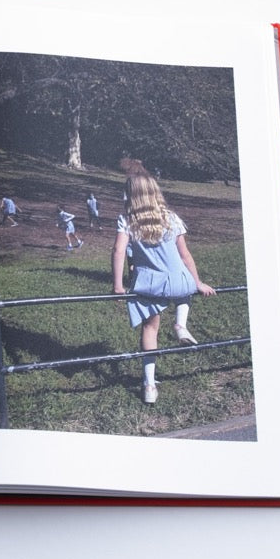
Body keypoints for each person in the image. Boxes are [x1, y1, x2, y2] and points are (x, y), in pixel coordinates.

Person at [112, 173, 215, 404]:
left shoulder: (127, 220)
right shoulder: (171, 218)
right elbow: (185, 255)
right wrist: (197, 282)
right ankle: (180, 325)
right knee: (184, 291)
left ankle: (149, 385)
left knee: (150, 328)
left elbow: (119, 251)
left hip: (148, 285)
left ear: (131, 194)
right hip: (179, 281)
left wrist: (118, 286)